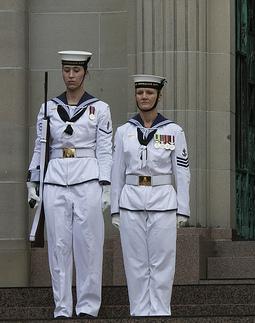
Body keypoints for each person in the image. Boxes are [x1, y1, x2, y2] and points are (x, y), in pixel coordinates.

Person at [26, 51, 112, 318]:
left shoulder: (100, 108)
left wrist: (106, 184)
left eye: (76, 71)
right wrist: (33, 178)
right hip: (55, 177)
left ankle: (87, 306)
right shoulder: (48, 107)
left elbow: (106, 149)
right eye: (67, 71)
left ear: (86, 72)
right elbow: (40, 146)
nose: (71, 76)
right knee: (59, 245)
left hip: (87, 177)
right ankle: (62, 307)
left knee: (88, 244)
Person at [110, 75, 190, 316]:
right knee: (135, 263)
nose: (144, 97)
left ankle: (160, 311)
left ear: (158, 96)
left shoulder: (173, 130)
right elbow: (117, 172)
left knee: (162, 261)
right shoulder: (124, 131)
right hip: (131, 201)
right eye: (140, 93)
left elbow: (183, 171)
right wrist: (115, 208)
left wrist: (183, 208)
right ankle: (139, 310)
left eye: (149, 93)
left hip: (163, 202)